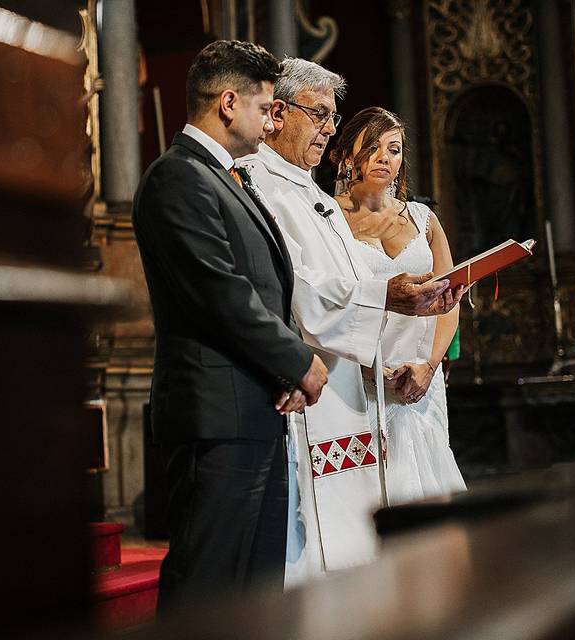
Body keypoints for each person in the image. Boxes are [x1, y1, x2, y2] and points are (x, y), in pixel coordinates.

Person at [240, 59, 463, 586]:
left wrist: (426, 360)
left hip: (380, 382)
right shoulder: (261, 184)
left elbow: (444, 296)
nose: (328, 127)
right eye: (319, 115)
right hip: (331, 381)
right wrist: (385, 298)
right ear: (276, 113)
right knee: (329, 538)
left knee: (387, 527)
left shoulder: (310, 195)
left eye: (332, 116)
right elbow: (302, 289)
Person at [132, 41, 329, 611]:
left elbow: (266, 290)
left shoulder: (227, 179)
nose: (273, 124)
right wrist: (297, 361)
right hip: (215, 415)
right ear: (227, 103)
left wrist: (282, 369)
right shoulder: (178, 178)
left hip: (254, 407)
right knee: (210, 587)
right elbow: (220, 294)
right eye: (267, 108)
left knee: (254, 592)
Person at [331, 106, 467, 506]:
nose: (384, 158)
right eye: (372, 147)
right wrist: (367, 368)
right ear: (345, 155)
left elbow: (450, 297)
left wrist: (429, 366)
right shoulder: (327, 219)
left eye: (393, 149)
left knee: (430, 484)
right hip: (363, 377)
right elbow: (328, 298)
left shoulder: (424, 219)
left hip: (422, 377)